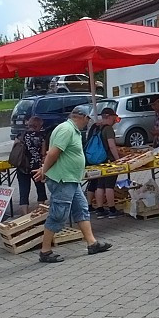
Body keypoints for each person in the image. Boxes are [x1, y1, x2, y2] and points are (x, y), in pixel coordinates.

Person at [31, 105, 112, 264]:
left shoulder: (72, 130)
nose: (88, 122)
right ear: (80, 116)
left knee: (81, 209)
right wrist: (44, 170)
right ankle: (45, 250)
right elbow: (53, 152)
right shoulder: (66, 130)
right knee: (58, 214)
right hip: (63, 179)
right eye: (88, 118)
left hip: (71, 179)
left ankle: (92, 243)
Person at [91, 107, 123, 219]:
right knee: (109, 185)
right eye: (114, 118)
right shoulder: (108, 129)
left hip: (98, 159)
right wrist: (118, 159)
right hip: (108, 160)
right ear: (109, 117)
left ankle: (100, 209)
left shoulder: (97, 127)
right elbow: (111, 145)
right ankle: (112, 209)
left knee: (100, 185)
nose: (115, 121)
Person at [15, 116, 48, 216]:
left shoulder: (20, 135)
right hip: (36, 167)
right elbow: (43, 153)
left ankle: (25, 214)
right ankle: (40, 213)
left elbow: (15, 149)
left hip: (22, 166)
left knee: (24, 191)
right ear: (38, 125)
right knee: (40, 189)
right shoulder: (41, 137)